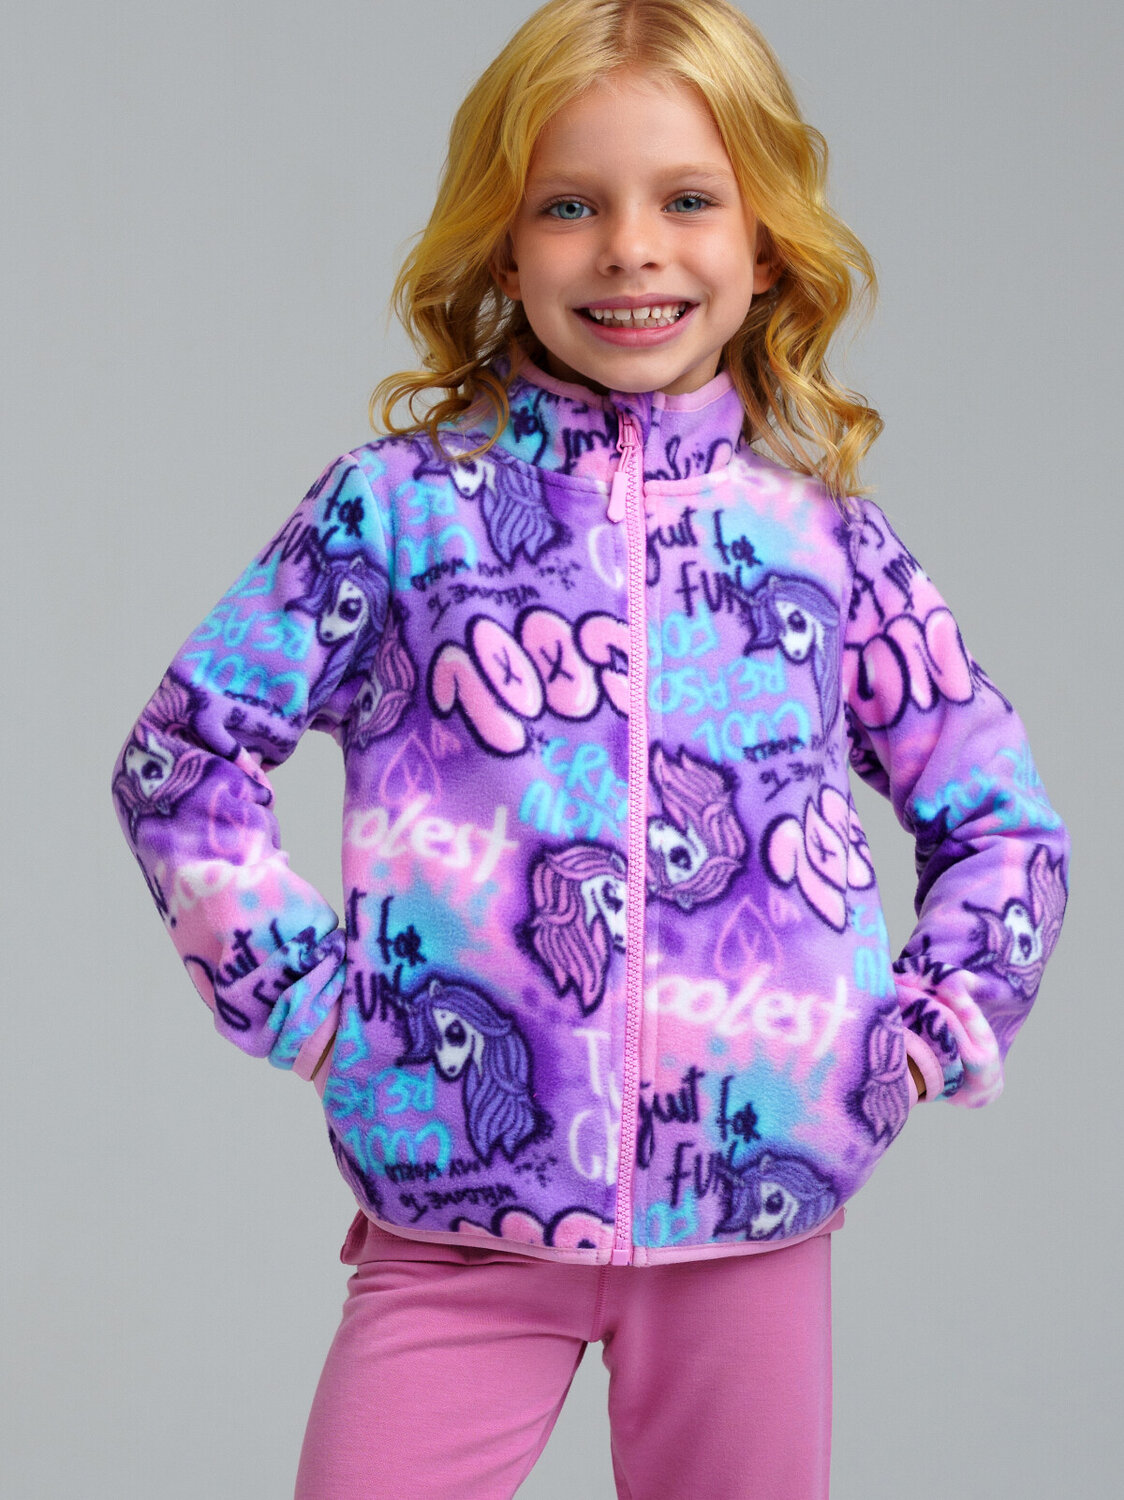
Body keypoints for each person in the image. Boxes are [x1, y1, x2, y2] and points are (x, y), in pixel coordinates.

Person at [111, 1, 1070, 1494]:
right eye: (569, 206)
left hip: (756, 1212)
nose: (630, 249)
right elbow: (182, 763)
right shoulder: (398, 512)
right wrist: (315, 1014)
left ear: (766, 245)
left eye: (687, 200)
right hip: (454, 1215)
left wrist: (927, 1031)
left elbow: (1000, 818)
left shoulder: (822, 544)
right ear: (504, 248)